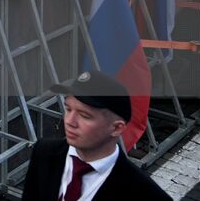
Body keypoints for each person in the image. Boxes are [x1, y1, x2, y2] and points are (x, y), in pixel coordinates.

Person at [18, 71, 171, 201]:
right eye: (68, 109)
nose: (69, 121)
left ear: (117, 128)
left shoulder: (144, 193)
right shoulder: (44, 152)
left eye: (84, 116)